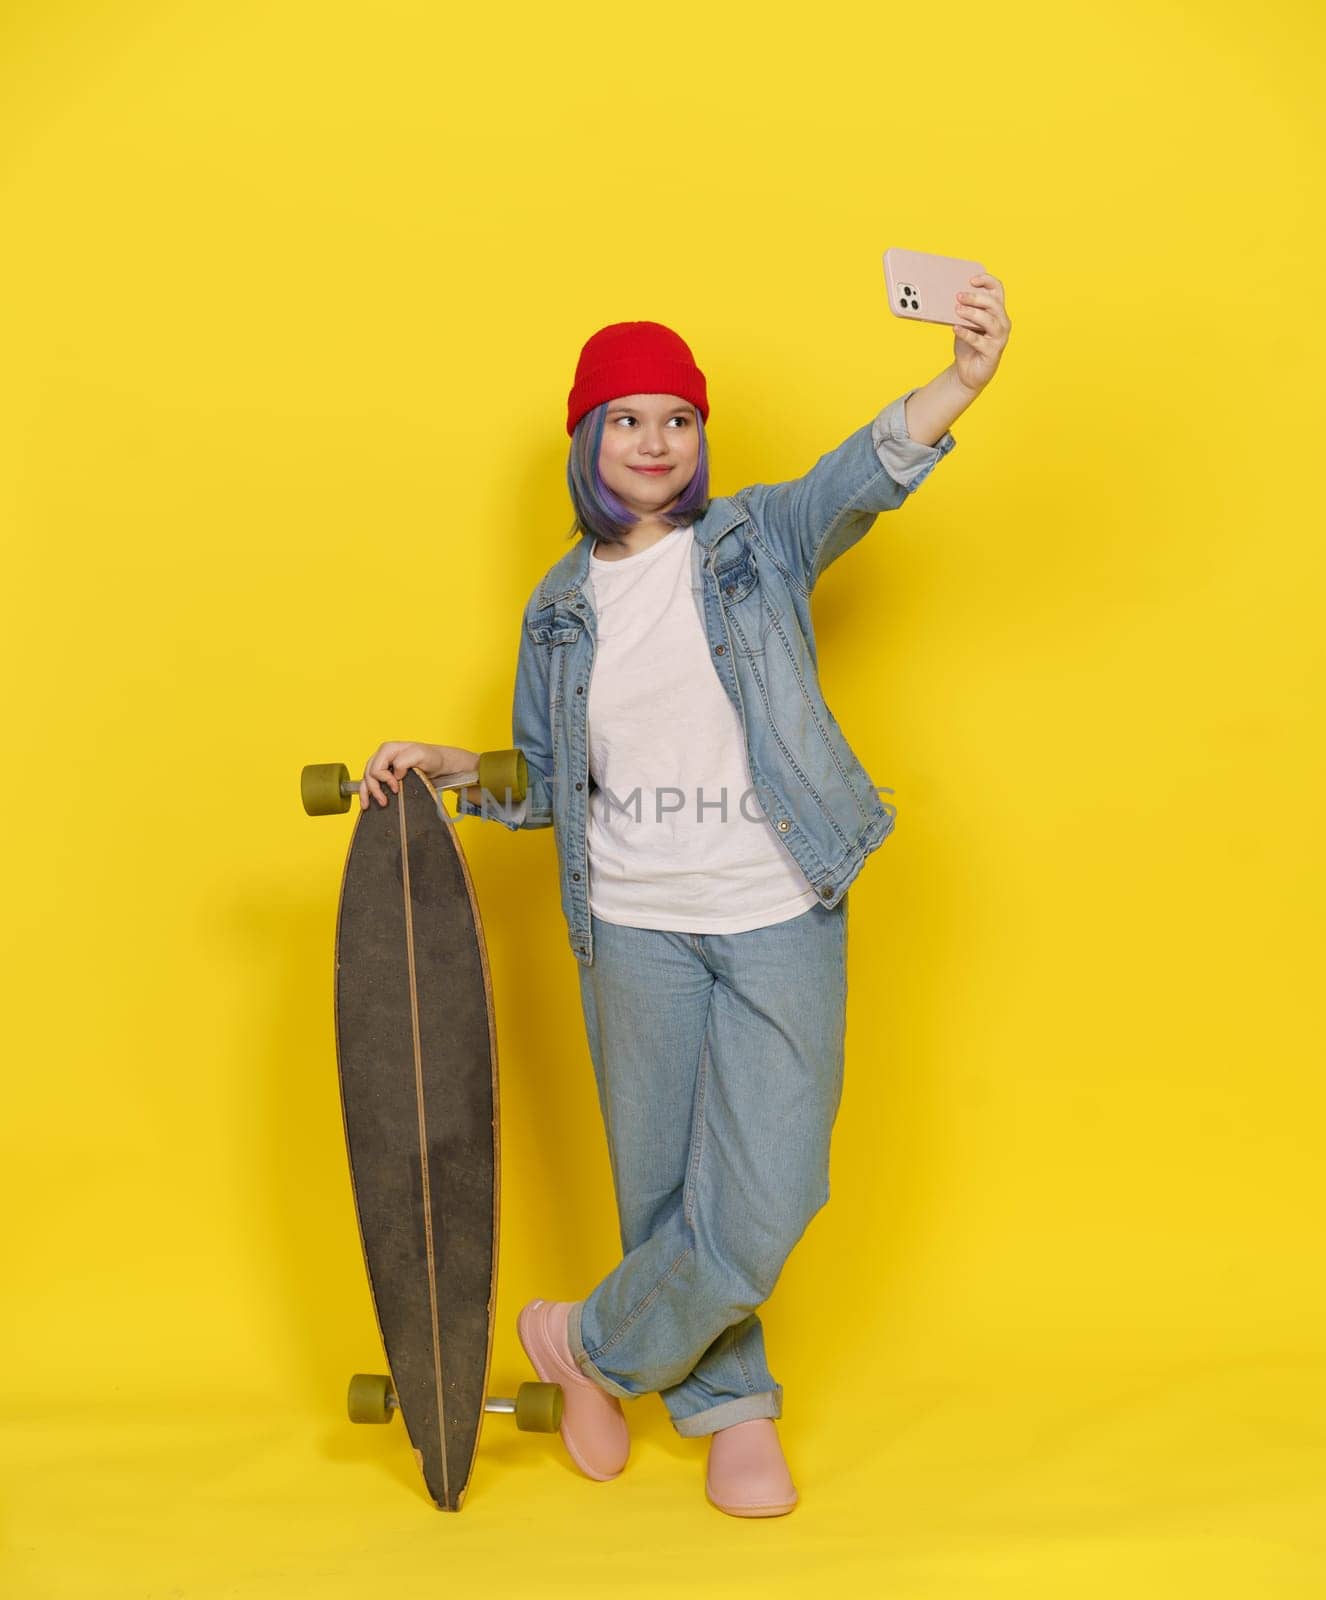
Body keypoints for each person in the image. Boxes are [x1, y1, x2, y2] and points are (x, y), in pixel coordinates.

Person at [360, 284, 1011, 1516]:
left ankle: (588, 1347)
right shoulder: (556, 611)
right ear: (586, 440)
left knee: (768, 1189)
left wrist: (962, 382)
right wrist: (451, 769)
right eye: (626, 419)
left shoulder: (758, 541)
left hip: (776, 902)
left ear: (702, 437)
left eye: (677, 418)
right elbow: (547, 778)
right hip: (632, 921)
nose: (655, 442)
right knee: (664, 1184)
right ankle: (731, 1408)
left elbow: (861, 476)